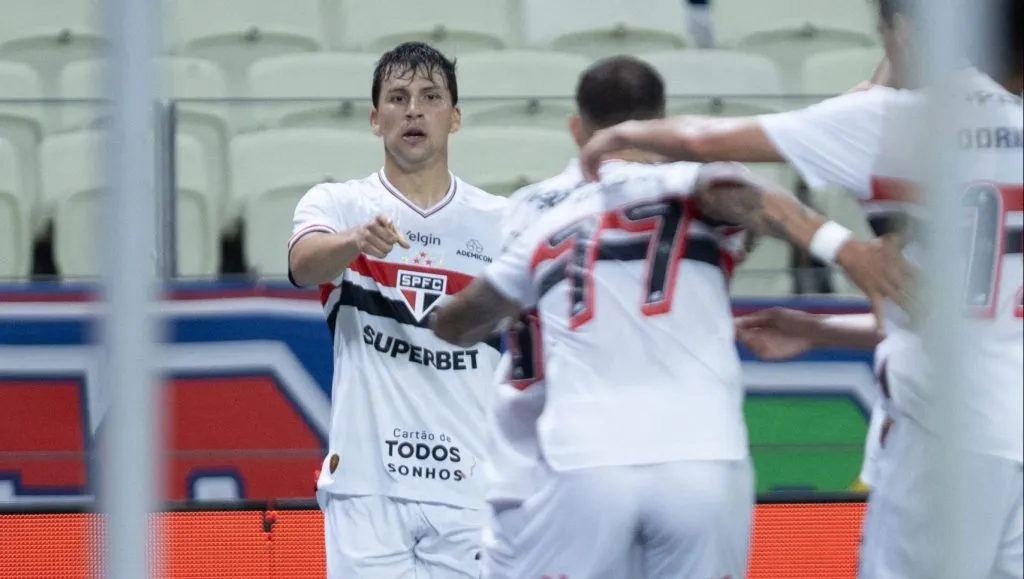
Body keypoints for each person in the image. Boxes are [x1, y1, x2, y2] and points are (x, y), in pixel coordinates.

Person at [578, 0, 1024, 576]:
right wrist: (817, 328)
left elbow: (709, 141)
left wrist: (618, 135)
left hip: (941, 435)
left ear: (907, 36)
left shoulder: (893, 124)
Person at [428, 68, 907, 579]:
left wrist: (446, 313)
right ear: (661, 123)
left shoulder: (540, 220)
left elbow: (458, 322)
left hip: (582, 459)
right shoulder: (687, 181)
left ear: (580, 131)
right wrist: (844, 249)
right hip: (699, 454)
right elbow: (744, 196)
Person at [288, 41, 507, 578]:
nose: (414, 109)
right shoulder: (337, 204)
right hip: (366, 486)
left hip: (472, 486)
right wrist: (354, 243)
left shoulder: (502, 222)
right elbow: (302, 266)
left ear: (454, 119)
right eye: (398, 97)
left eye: (431, 97)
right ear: (374, 118)